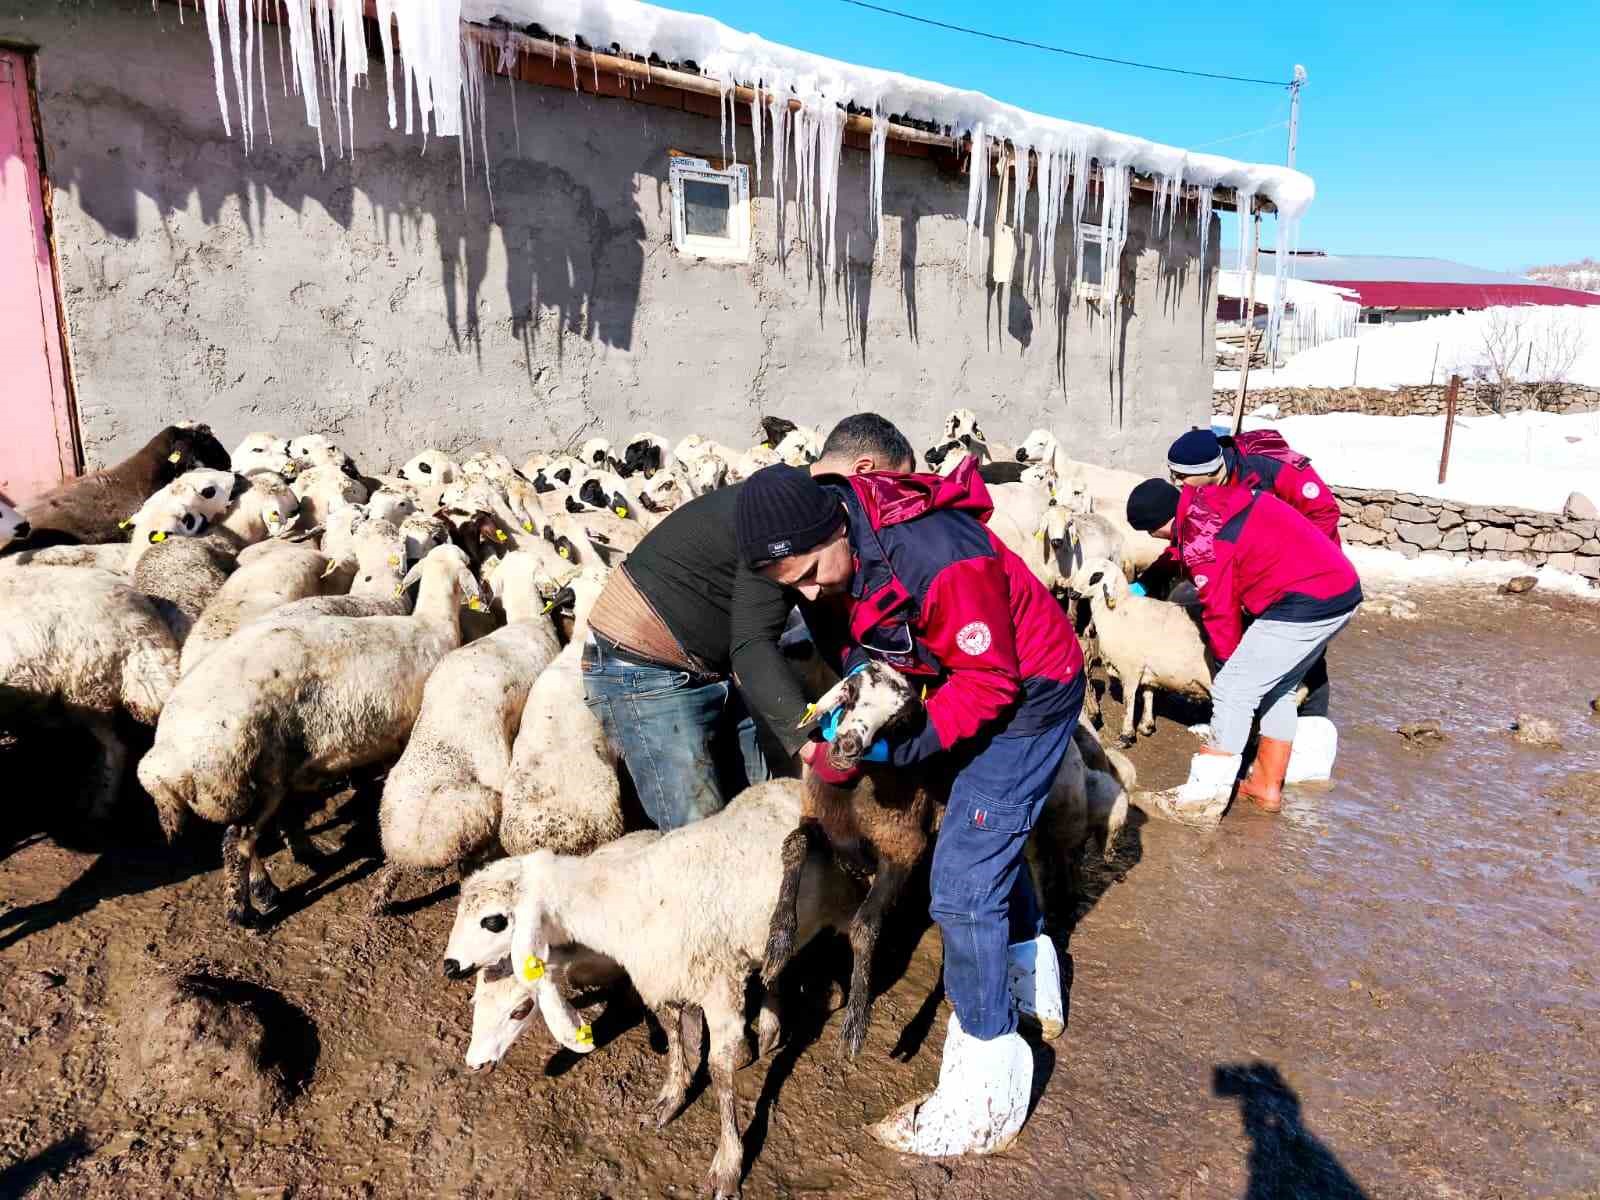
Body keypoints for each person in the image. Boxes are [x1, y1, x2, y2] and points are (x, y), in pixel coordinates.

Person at [736, 459, 1085, 1157]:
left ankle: (985, 1090)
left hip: (1029, 694)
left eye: (812, 573)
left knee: (960, 885)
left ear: (836, 526)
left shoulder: (938, 557)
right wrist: (856, 710)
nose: (809, 592)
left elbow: (990, 683)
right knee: (984, 840)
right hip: (950, 682)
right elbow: (859, 645)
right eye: (792, 585)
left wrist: (897, 748)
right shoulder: (830, 564)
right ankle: (1029, 984)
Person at [580, 414, 916, 832]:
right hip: (643, 668)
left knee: (761, 811)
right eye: (897, 484)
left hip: (713, 661)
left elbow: (814, 608)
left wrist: (863, 672)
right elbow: (754, 644)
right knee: (701, 835)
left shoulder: (807, 507)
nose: (895, 502)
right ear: (865, 469)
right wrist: (813, 746)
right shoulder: (776, 517)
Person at [1125, 477, 1361, 821]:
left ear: (1159, 524)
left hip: (1304, 602)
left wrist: (1225, 662)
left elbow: (1220, 611)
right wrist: (1148, 581)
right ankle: (1265, 785)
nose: (1153, 538)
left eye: (1151, 531)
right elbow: (1185, 549)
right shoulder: (1210, 500)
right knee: (1278, 687)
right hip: (1338, 588)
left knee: (1233, 688)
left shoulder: (1201, 544)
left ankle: (1200, 802)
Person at [1161, 426, 1340, 716]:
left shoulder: (1272, 467)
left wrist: (1291, 572)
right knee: (1259, 648)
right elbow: (1194, 541)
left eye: (1181, 476)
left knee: (1304, 655)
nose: (1177, 483)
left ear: (1209, 470)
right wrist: (1152, 577)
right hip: (1257, 578)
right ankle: (1260, 719)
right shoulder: (1203, 490)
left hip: (1309, 577)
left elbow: (1324, 513)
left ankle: (1311, 724)